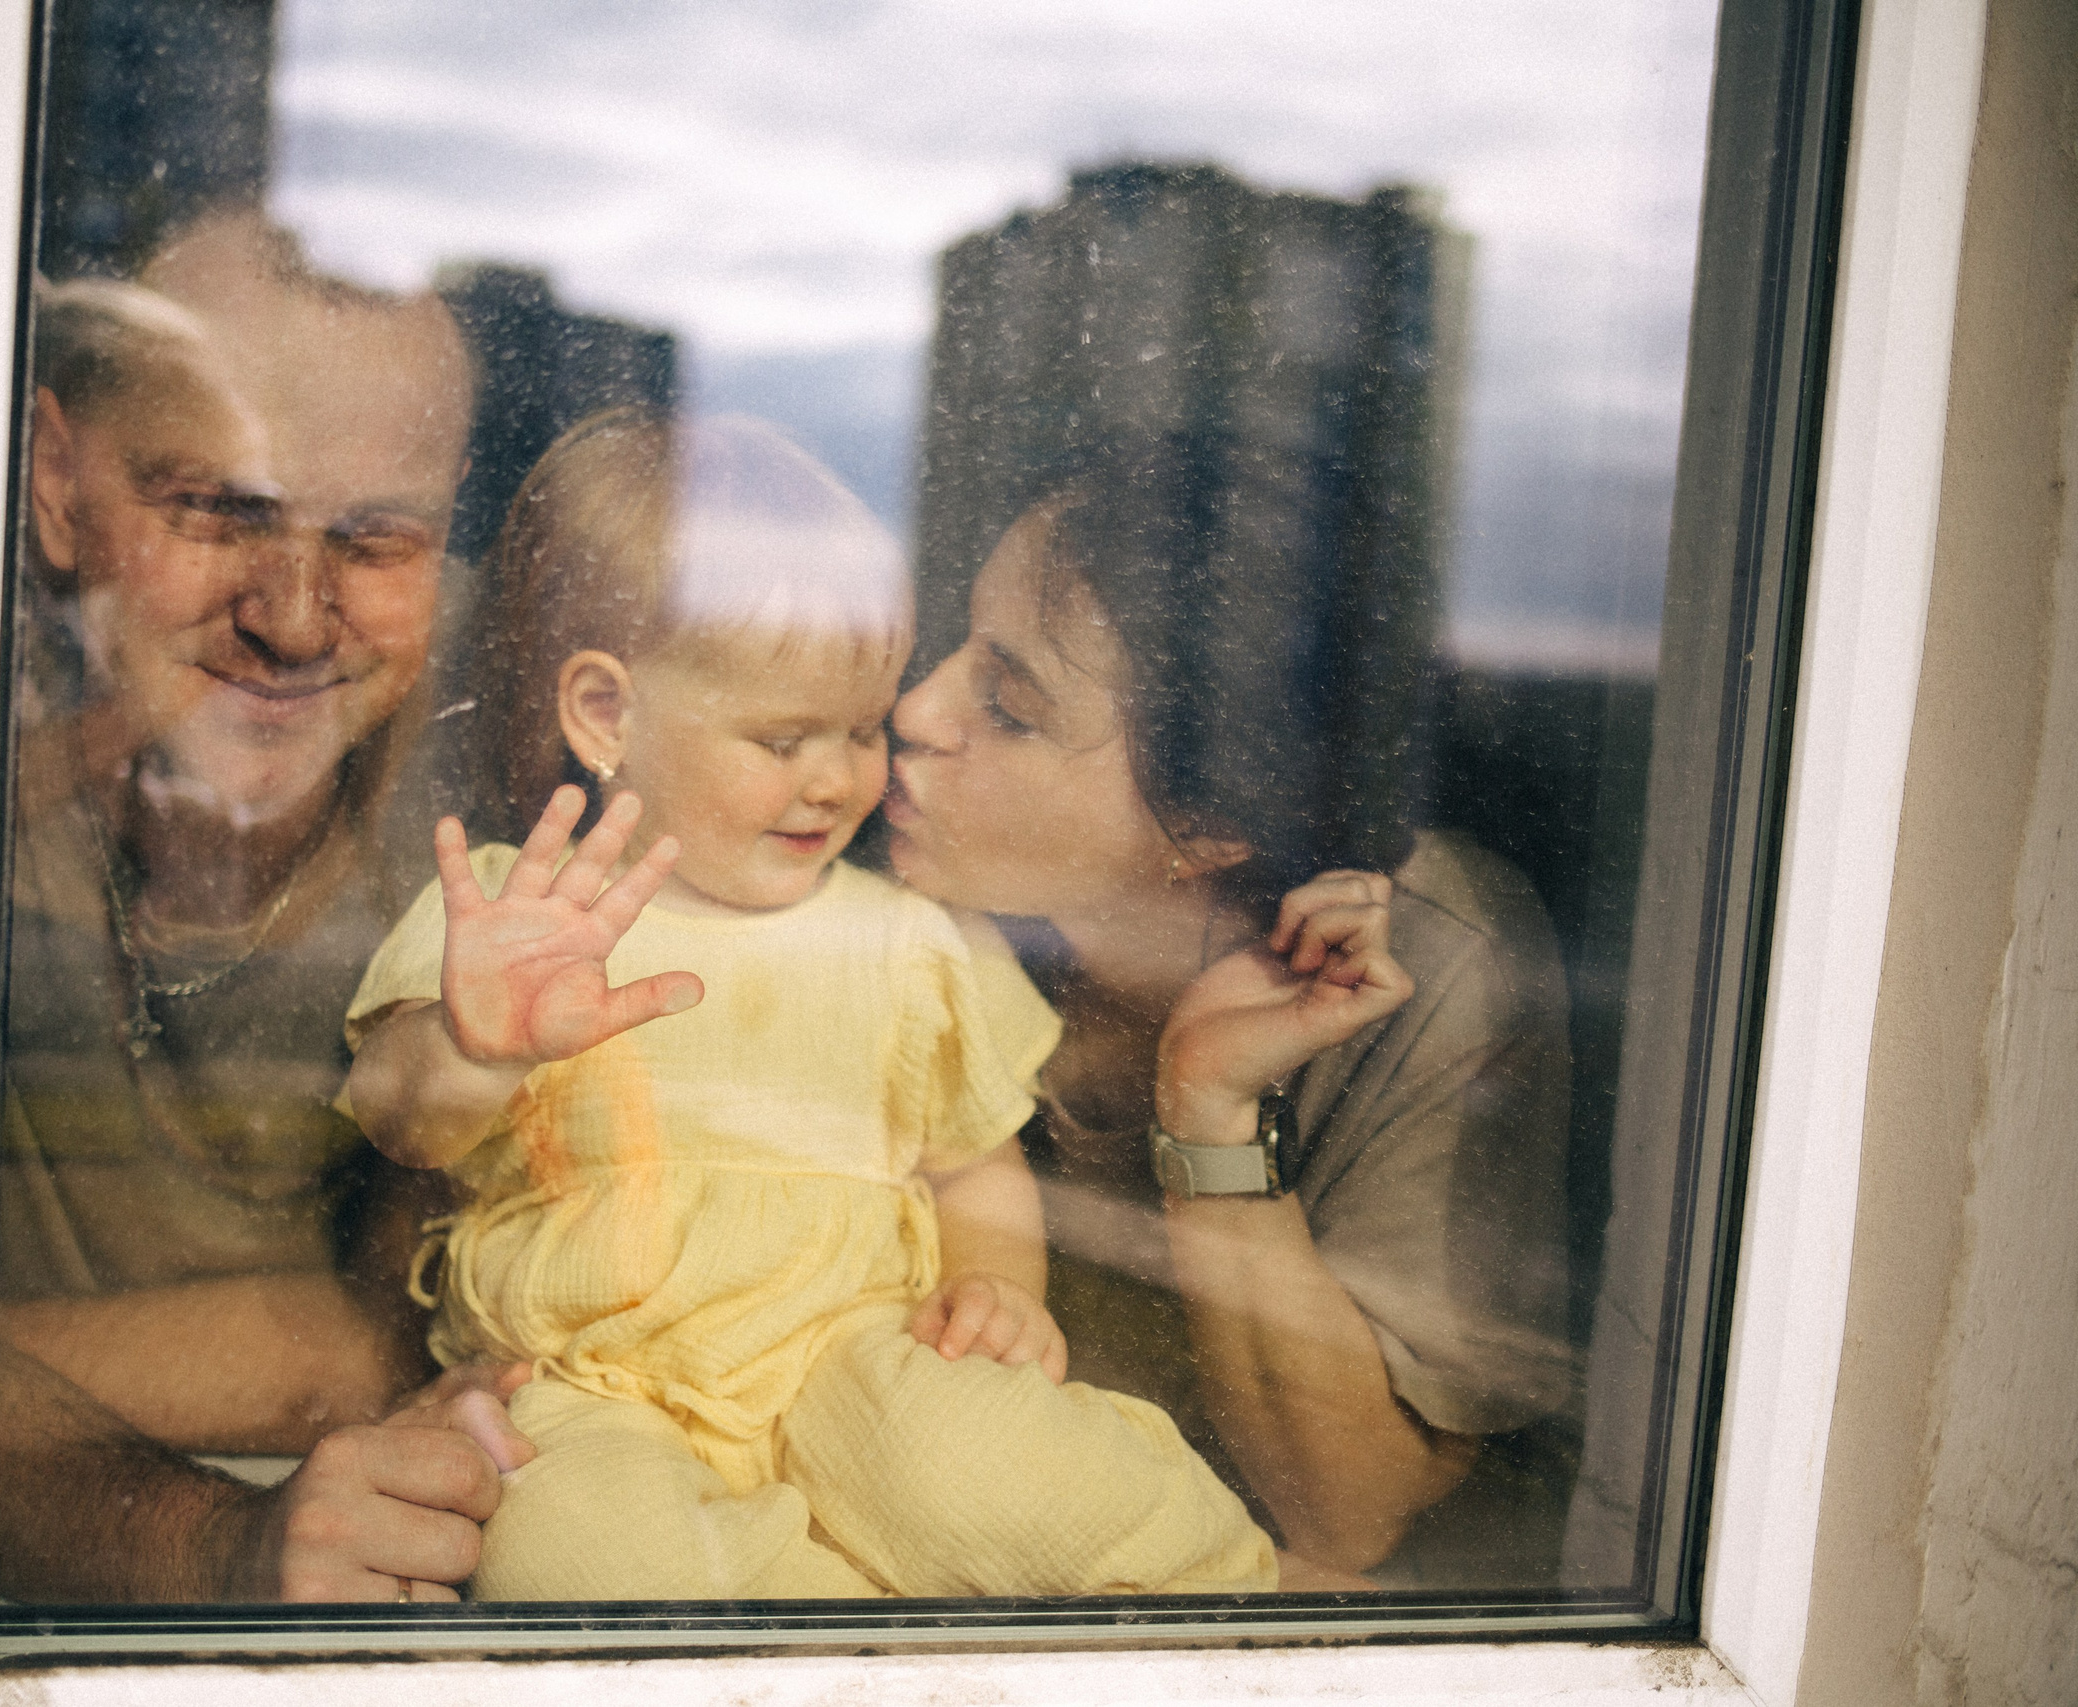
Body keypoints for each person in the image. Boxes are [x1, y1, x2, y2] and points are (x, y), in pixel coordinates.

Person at [341, 412, 1311, 1599]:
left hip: (857, 1349)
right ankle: (806, 1627)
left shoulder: (906, 938)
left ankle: (1240, 1612)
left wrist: (997, 1290)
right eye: (783, 736)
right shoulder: (515, 914)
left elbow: (972, 1162)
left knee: (997, 1478)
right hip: (591, 1383)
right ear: (608, 716)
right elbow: (398, 1122)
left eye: (858, 728)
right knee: (577, 1554)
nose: (841, 776)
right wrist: (472, 1049)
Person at [883, 443, 1579, 1588]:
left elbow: (1353, 1520)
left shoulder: (1434, 968)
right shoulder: (860, 874)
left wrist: (1208, 1111)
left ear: (1209, 827)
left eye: (1006, 705)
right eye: (951, 651)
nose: (915, 709)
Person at [0, 209, 531, 1604]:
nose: (295, 617)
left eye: (377, 538)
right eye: (220, 508)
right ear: (56, 482)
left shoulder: (512, 755)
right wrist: (208, 1537)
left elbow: (392, 1339)